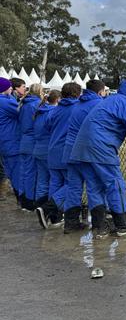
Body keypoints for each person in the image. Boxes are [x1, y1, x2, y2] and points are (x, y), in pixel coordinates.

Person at [70, 79, 126, 239]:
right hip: (100, 146)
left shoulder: (110, 100)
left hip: (82, 146)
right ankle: (123, 224)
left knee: (94, 186)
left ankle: (100, 226)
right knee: (115, 184)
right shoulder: (124, 102)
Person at [63, 80, 106, 234]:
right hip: (85, 151)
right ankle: (99, 226)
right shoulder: (98, 103)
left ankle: (70, 223)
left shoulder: (79, 103)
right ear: (100, 91)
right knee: (94, 187)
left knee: (74, 187)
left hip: (70, 150)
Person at [36, 83, 81, 229]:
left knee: (55, 183)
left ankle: (54, 217)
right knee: (72, 184)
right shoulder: (77, 108)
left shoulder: (55, 110)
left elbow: (47, 126)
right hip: (67, 151)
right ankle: (48, 208)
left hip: (53, 149)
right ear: (77, 94)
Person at [33, 91, 61, 225]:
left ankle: (40, 208)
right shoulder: (53, 112)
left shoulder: (39, 111)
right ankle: (49, 211)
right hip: (48, 150)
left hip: (38, 149)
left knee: (42, 181)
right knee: (54, 181)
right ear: (58, 99)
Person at [17, 83, 45, 211]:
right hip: (33, 140)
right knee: (32, 173)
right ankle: (30, 201)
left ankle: (23, 199)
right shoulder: (37, 104)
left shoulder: (24, 103)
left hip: (23, 140)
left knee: (24, 171)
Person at [0, 77, 21, 205]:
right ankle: (22, 199)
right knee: (15, 170)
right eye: (9, 87)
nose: (11, 88)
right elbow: (22, 112)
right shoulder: (5, 102)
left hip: (4, 140)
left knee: (6, 169)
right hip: (10, 140)